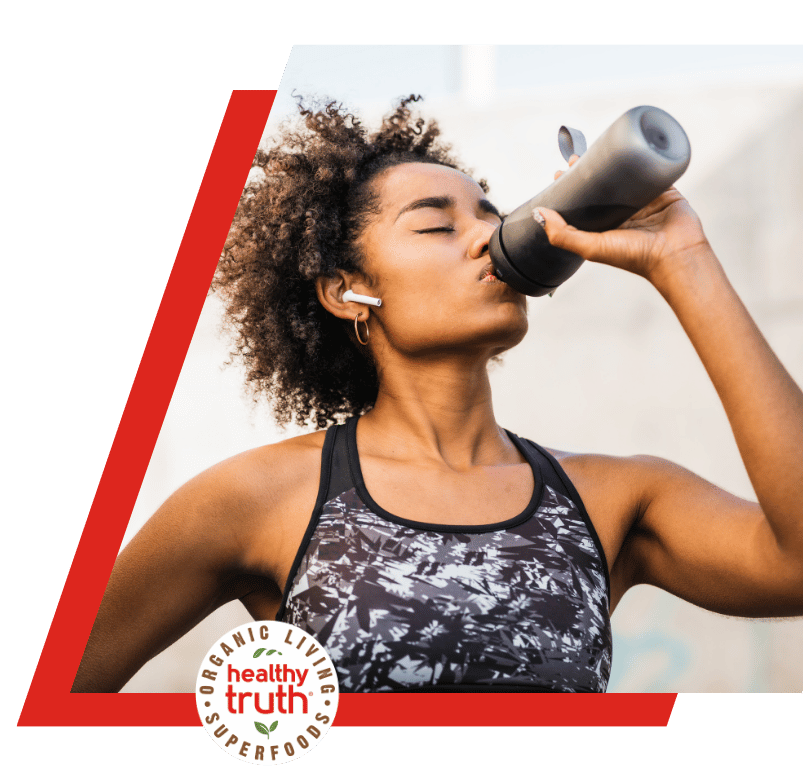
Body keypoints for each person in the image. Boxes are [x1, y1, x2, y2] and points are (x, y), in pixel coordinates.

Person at [73, 95, 803, 693]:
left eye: (491, 216)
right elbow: (50, 700)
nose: (487, 238)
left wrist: (684, 260)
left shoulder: (614, 498)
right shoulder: (254, 499)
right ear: (346, 292)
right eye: (435, 224)